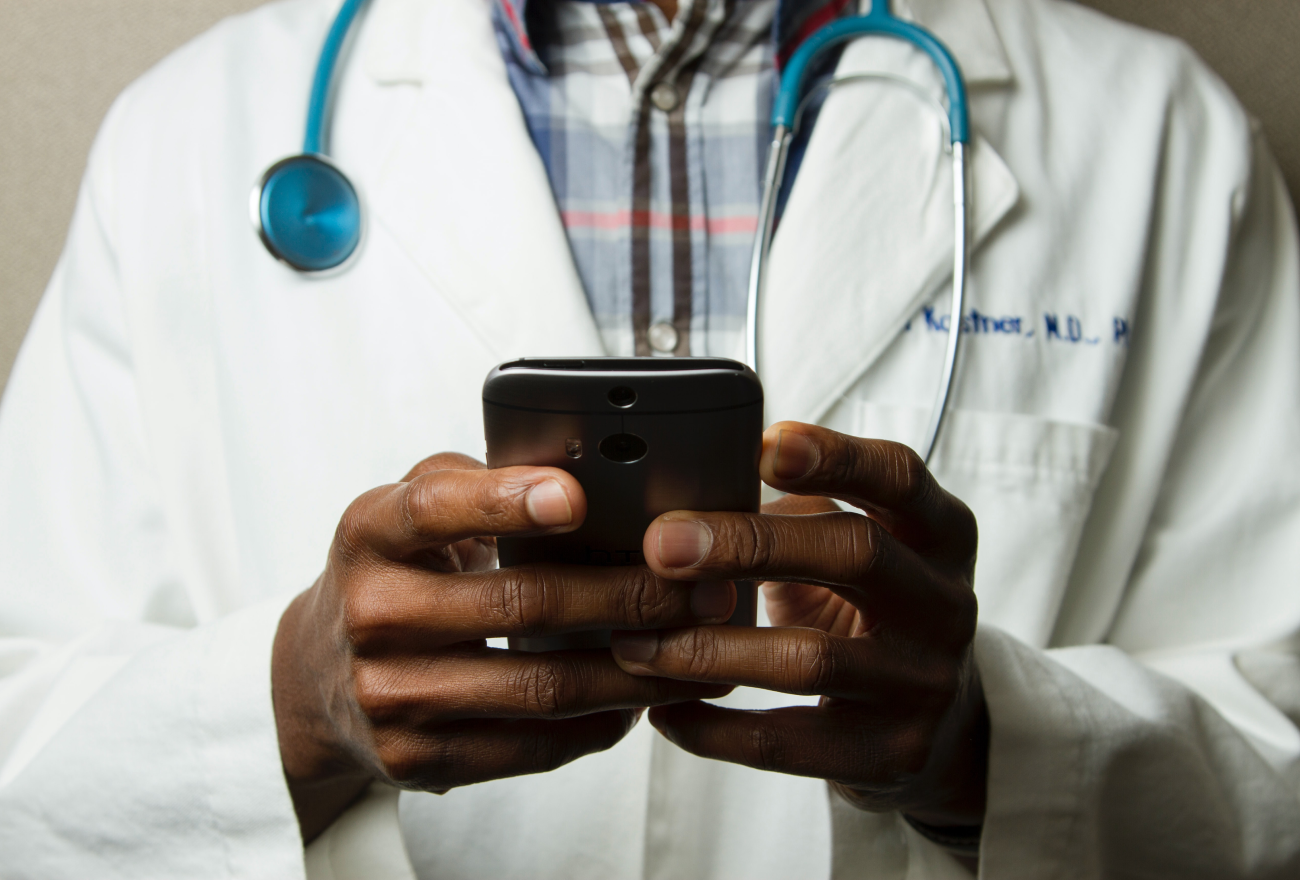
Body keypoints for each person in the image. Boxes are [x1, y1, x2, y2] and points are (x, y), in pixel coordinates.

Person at [1, 0, 1298, 876]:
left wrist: (988, 743)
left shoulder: (1160, 138)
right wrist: (293, 706)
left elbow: (1279, 747)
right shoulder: (188, 136)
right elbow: (22, 741)